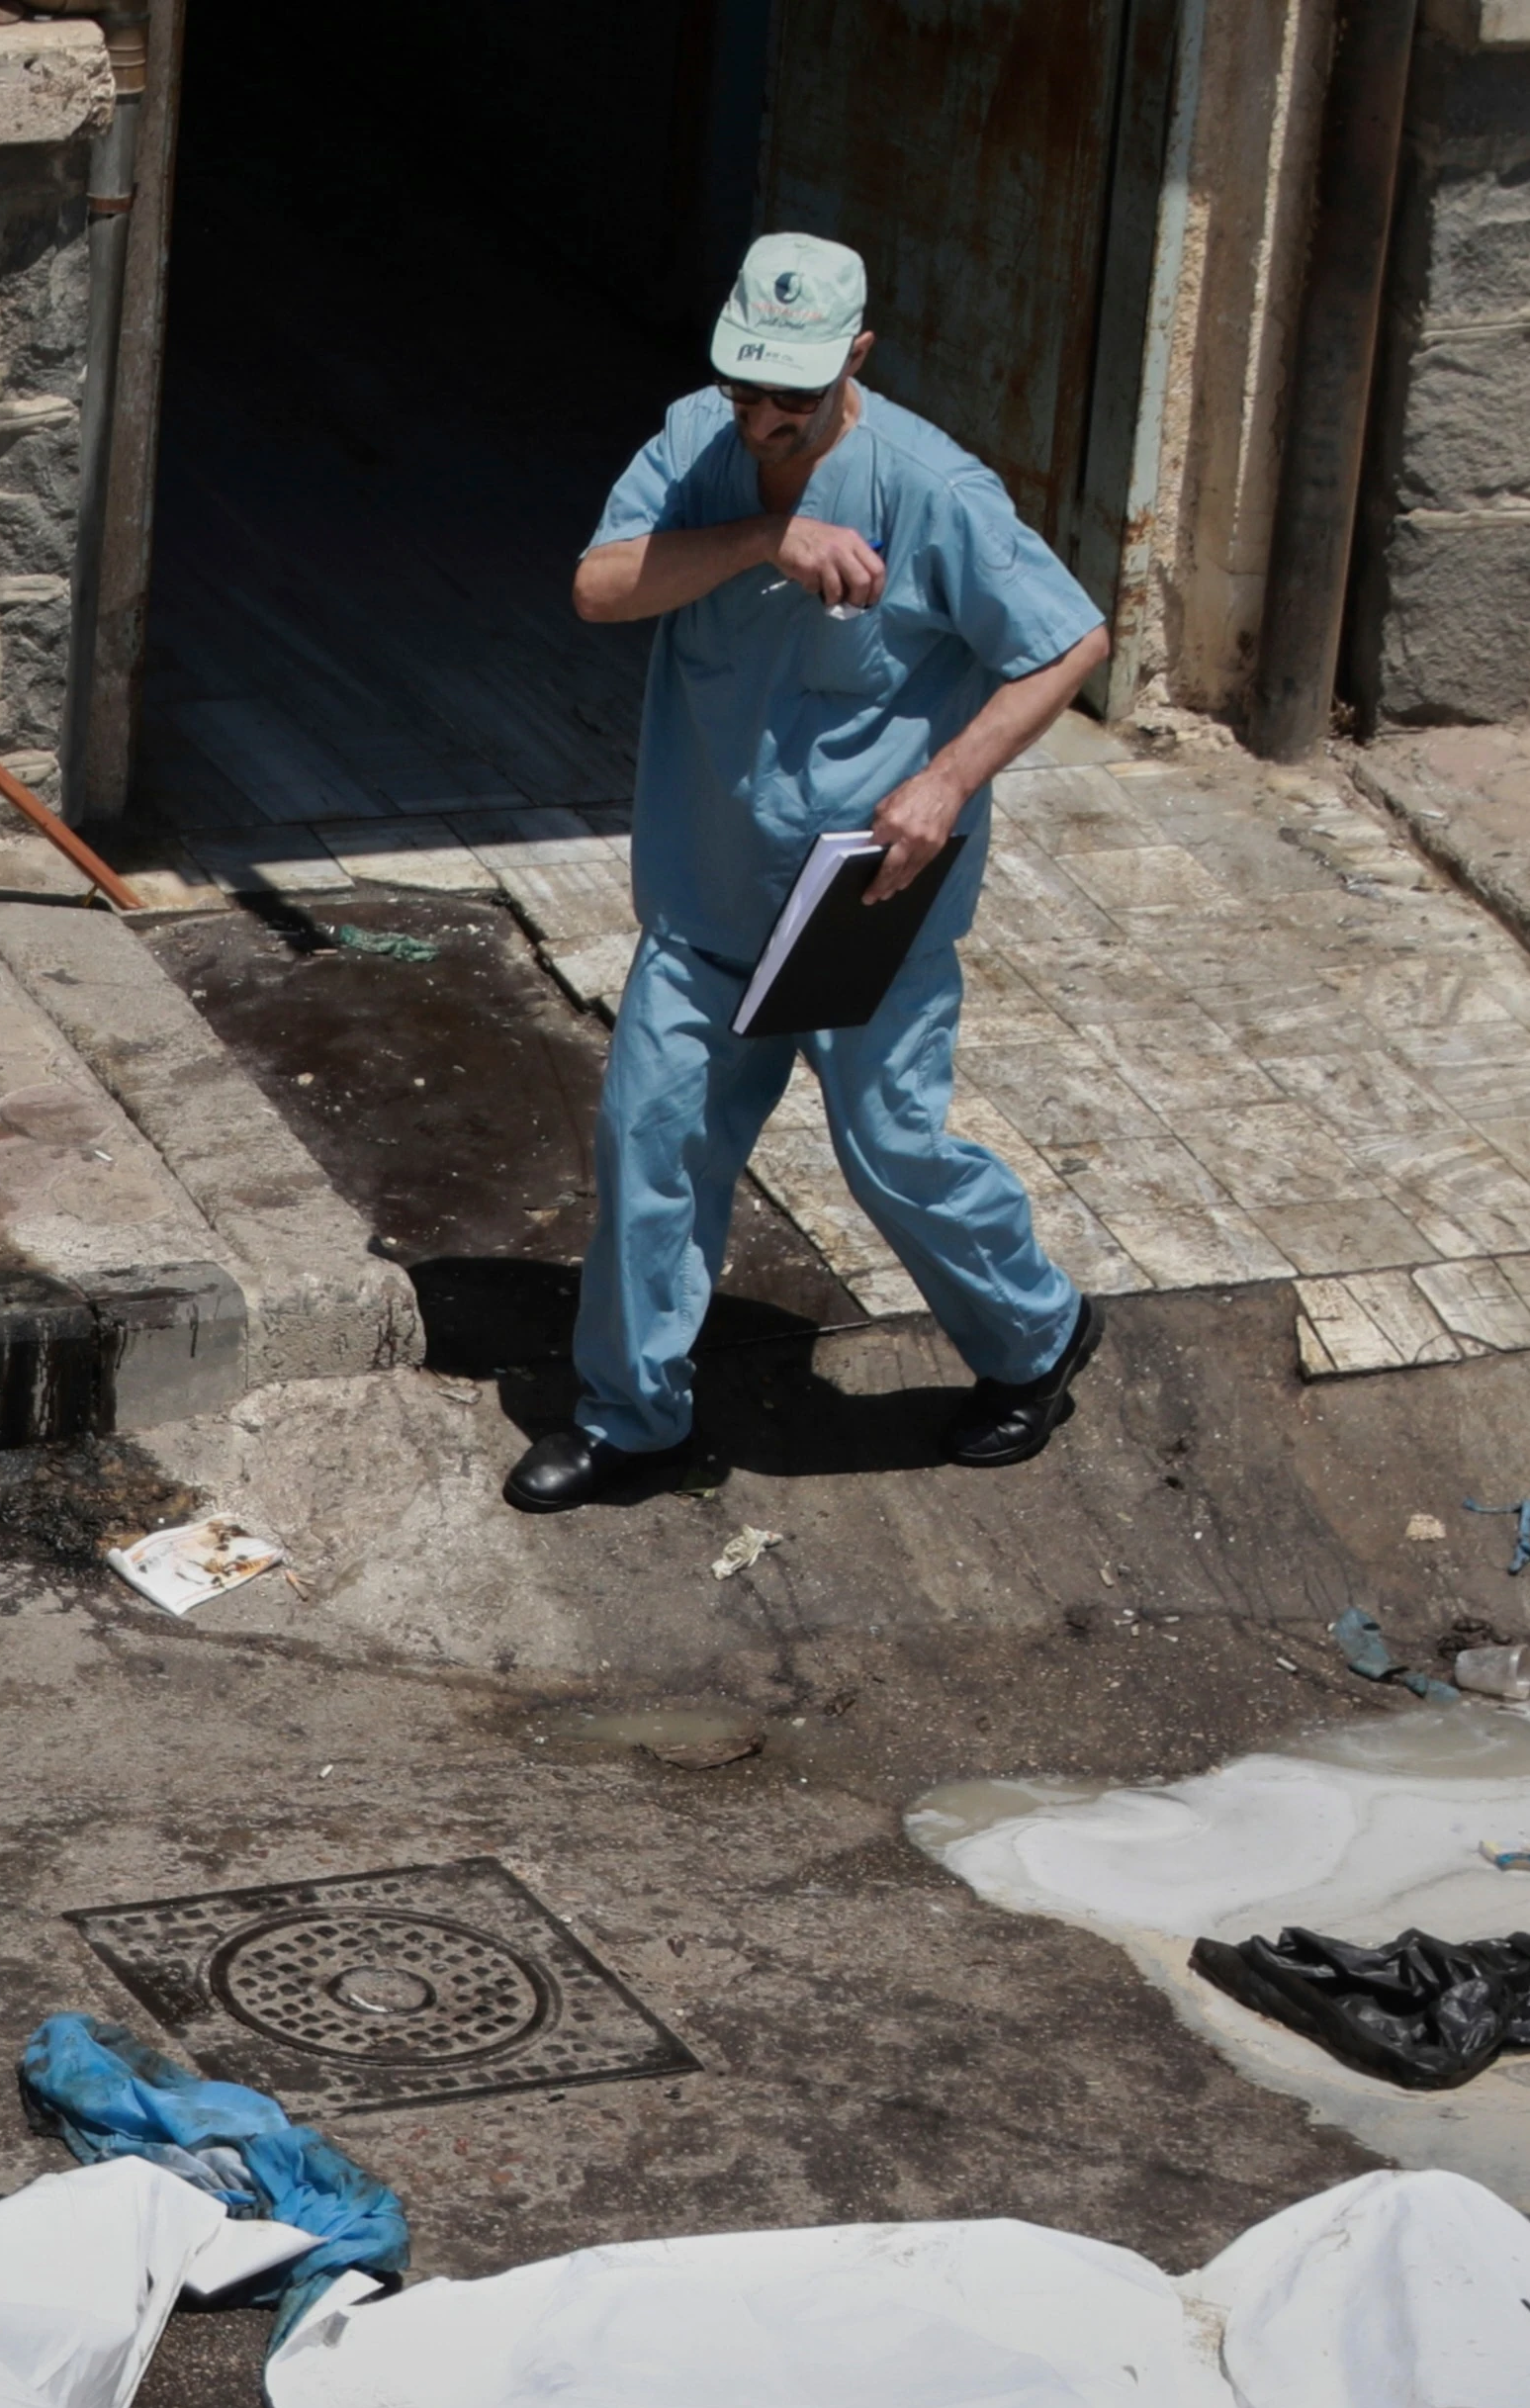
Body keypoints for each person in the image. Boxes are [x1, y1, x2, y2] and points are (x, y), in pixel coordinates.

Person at [528, 231, 1119, 1514]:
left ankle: (1035, 1333)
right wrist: (760, 538)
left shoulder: (932, 489)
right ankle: (633, 1417)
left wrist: (947, 781)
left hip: (865, 904)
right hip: (706, 894)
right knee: (651, 1141)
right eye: (748, 388)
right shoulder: (698, 447)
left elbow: (1069, 643)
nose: (765, 418)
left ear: (854, 359)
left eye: (791, 397)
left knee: (891, 1151)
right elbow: (597, 586)